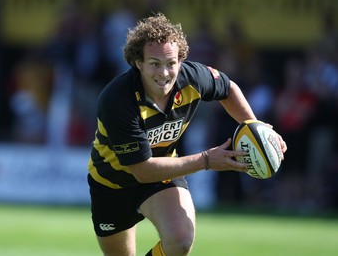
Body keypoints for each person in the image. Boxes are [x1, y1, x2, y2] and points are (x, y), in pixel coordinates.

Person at [87, 13, 287, 256]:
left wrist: (257, 128)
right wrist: (206, 160)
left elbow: (228, 88)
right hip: (112, 184)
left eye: (171, 63)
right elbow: (142, 170)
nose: (164, 73)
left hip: (162, 176)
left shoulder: (192, 77)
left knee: (180, 241)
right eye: (154, 63)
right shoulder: (117, 99)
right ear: (138, 62)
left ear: (181, 60)